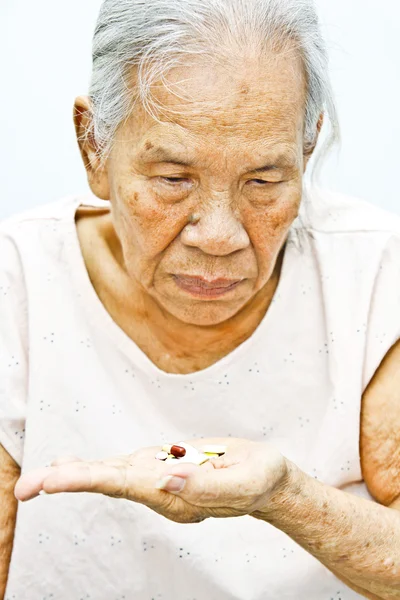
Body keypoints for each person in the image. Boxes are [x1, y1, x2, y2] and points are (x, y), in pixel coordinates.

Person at [1, 0, 400, 598]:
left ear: (306, 148)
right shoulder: (18, 282)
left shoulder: (376, 276)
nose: (220, 237)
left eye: (263, 182)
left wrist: (285, 498)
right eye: (172, 180)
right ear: (94, 148)